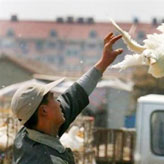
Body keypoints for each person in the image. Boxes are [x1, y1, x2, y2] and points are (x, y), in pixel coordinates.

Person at [10, 33, 123, 164]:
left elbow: (74, 95)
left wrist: (104, 62)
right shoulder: (48, 161)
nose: (59, 102)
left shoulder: (28, 134)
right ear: (44, 111)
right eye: (53, 98)